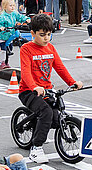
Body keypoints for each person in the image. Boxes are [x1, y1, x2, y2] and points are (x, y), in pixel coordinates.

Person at [18, 13, 83, 162]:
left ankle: (40, 129)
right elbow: (25, 72)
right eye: (42, 35)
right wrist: (34, 87)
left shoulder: (50, 48)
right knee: (46, 112)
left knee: (56, 116)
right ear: (33, 33)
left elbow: (60, 67)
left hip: (47, 89)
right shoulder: (26, 49)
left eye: (48, 34)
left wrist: (72, 82)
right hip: (28, 91)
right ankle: (36, 148)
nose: (46, 38)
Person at [0, 0, 30, 68]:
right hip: (2, 35)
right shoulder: (3, 16)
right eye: (10, 5)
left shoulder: (14, 13)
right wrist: (1, 28)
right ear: (5, 7)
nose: (12, 7)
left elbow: (20, 17)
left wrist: (26, 19)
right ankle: (2, 63)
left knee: (9, 48)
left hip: (10, 33)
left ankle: (6, 62)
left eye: (13, 5)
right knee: (3, 49)